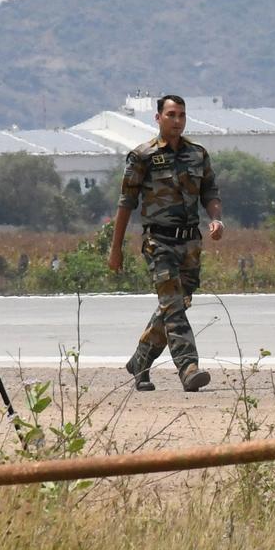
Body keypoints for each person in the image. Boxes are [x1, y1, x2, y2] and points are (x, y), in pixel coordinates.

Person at [107, 94, 224, 392]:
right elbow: (126, 204)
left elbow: (210, 193)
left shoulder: (198, 155)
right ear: (158, 118)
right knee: (173, 305)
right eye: (171, 115)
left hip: (190, 244)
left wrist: (215, 219)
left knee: (175, 304)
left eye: (182, 115)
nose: (177, 120)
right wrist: (115, 248)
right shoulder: (142, 156)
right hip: (158, 242)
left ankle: (140, 360)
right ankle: (188, 367)